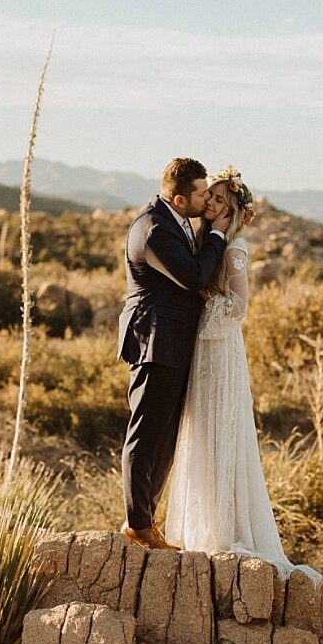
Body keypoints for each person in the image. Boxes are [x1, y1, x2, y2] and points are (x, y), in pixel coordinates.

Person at [164, 167, 323, 623]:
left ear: (233, 209)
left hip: (220, 348)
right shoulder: (202, 243)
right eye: (209, 196)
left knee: (221, 431)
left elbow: (238, 308)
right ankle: (202, 523)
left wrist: (202, 299)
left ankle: (223, 528)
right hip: (203, 349)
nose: (211, 203)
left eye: (219, 198)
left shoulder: (234, 247)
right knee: (201, 431)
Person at [116, 157, 231, 550]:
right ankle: (137, 525)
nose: (206, 199)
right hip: (155, 339)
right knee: (146, 435)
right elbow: (194, 275)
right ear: (181, 200)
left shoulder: (176, 221)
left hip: (174, 340)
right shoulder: (152, 230)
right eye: (202, 194)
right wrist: (217, 234)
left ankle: (145, 521)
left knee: (164, 437)